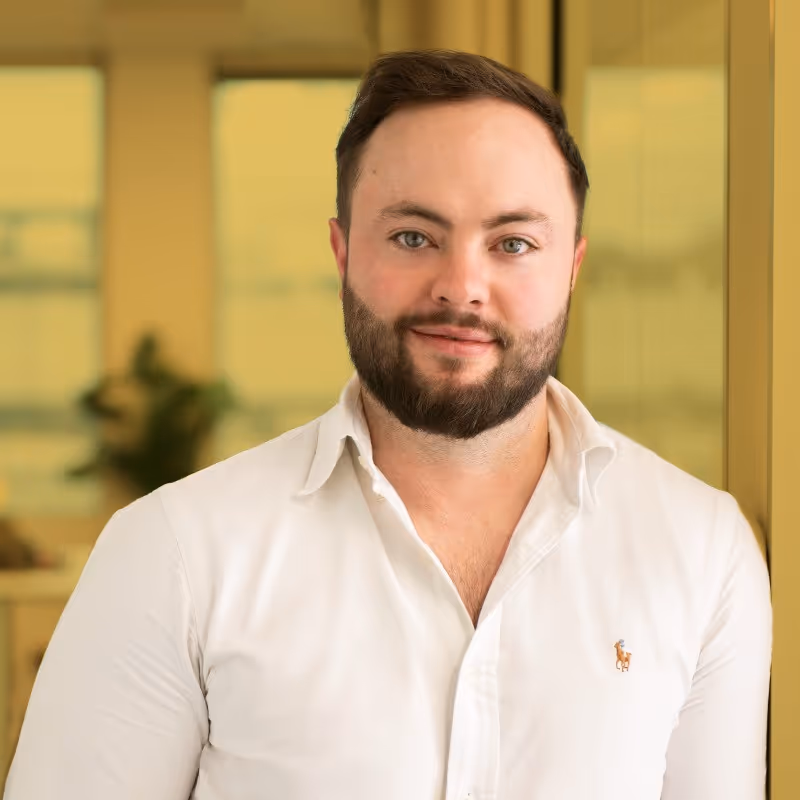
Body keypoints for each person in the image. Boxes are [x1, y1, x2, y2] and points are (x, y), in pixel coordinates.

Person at [5, 50, 771, 800]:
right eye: (413, 237)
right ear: (342, 252)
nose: (462, 287)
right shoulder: (173, 553)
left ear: (570, 267)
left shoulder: (703, 552)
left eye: (513, 243)